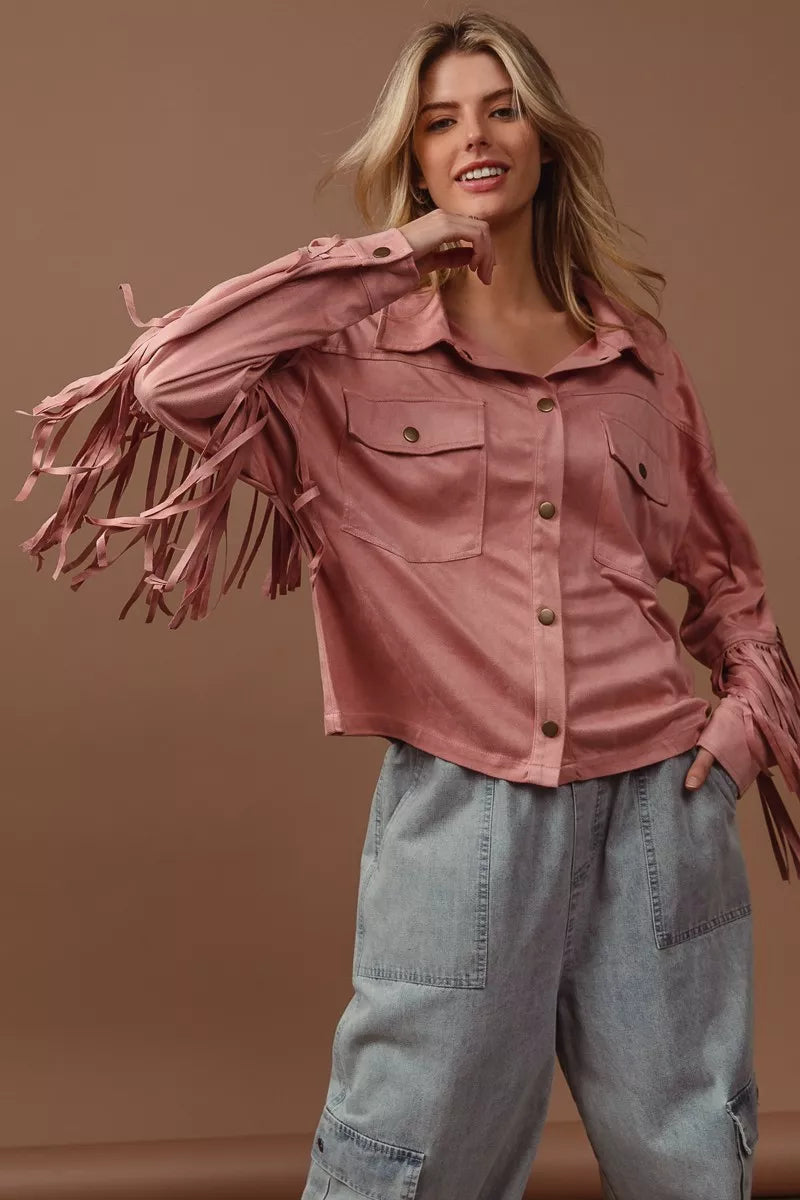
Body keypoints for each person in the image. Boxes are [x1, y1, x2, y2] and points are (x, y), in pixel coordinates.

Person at [14, 10, 800, 1200]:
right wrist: (392, 257)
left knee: (692, 1159)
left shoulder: (633, 354)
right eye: (439, 121)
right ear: (415, 160)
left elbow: (726, 583)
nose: (472, 136)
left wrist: (735, 741)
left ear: (543, 137)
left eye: (497, 108)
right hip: (464, 817)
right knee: (402, 1165)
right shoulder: (350, 350)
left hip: (657, 814)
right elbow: (172, 378)